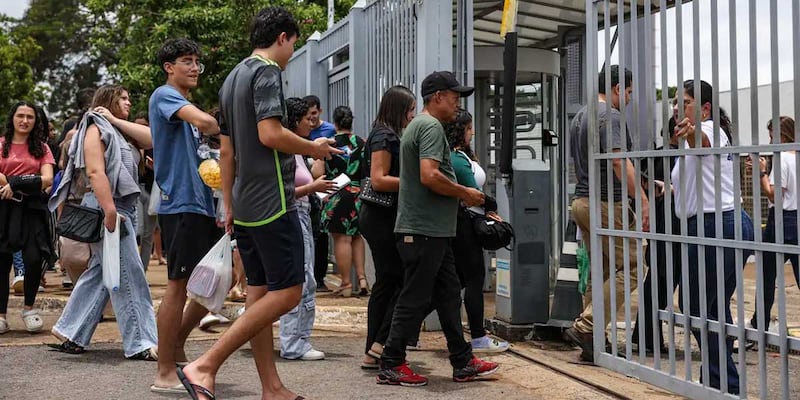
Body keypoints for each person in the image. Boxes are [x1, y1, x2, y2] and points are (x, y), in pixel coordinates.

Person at [179, 8, 339, 399]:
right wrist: (313, 146)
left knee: (258, 295)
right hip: (274, 201)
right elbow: (270, 134)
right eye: (294, 43)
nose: (292, 52)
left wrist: (229, 204)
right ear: (282, 37)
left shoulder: (233, 77)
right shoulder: (266, 71)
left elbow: (227, 151)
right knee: (288, 292)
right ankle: (205, 365)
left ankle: (272, 388)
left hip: (246, 204)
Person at [377, 71, 498, 387]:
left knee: (447, 296)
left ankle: (462, 360)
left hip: (433, 231)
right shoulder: (430, 127)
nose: (458, 104)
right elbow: (429, 176)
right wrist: (465, 193)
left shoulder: (422, 126)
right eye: (455, 97)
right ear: (438, 97)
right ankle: (391, 362)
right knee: (414, 297)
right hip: (423, 231)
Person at [48, 84, 158, 360]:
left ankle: (71, 331)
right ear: (107, 100)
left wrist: (115, 119)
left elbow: (152, 138)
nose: (129, 102)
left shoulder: (116, 128)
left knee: (101, 273)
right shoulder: (94, 128)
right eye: (122, 98)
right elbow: (96, 172)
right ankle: (141, 341)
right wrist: (109, 211)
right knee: (128, 276)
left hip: (121, 206)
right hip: (108, 206)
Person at [149, 38, 223, 393]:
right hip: (179, 203)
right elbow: (208, 122)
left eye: (197, 61)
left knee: (218, 278)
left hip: (199, 203)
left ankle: (176, 344)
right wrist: (218, 123)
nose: (194, 68)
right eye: (186, 61)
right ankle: (164, 371)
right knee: (177, 287)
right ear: (169, 67)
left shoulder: (179, 103)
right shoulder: (165, 96)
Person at [671, 79, 754, 394]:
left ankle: (726, 383)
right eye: (677, 102)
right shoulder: (691, 143)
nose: (679, 107)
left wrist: (691, 132)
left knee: (695, 306)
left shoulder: (711, 130)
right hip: (715, 223)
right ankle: (716, 381)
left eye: (687, 101)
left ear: (705, 108)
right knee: (713, 307)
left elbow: (703, 141)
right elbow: (692, 187)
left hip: (716, 225)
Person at [564, 65, 650, 363]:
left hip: (582, 202)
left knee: (601, 270)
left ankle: (593, 340)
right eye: (627, 92)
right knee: (634, 267)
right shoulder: (610, 116)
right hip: (605, 203)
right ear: (616, 89)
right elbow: (616, 160)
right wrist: (640, 197)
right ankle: (587, 325)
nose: (628, 98)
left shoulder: (580, 116)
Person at [444, 109, 509, 353]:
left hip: (466, 222)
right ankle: (479, 337)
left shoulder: (460, 155)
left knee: (456, 280)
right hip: (465, 225)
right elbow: (473, 195)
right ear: (460, 130)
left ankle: (407, 331)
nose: (473, 132)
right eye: (469, 128)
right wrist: (491, 205)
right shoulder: (457, 158)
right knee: (473, 279)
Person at [360, 85, 416, 368]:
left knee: (388, 280)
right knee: (396, 279)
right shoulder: (384, 135)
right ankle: (378, 345)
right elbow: (379, 179)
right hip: (381, 216)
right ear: (398, 110)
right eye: (410, 110)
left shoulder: (384, 132)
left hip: (379, 216)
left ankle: (376, 346)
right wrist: (415, 182)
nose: (412, 116)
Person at [278, 97, 336, 361]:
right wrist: (313, 188)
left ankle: (300, 339)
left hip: (302, 213)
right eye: (306, 119)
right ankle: (293, 342)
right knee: (300, 280)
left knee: (306, 280)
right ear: (294, 122)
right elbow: (282, 192)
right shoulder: (285, 150)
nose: (311, 122)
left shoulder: (297, 150)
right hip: (293, 214)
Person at [0, 101, 55, 334]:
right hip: (4, 208)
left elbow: (48, 179)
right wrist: (15, 183)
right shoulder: (1, 144)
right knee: (2, 262)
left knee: (33, 258)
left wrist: (16, 183)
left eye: (30, 117)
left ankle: (29, 308)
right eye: (20, 116)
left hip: (32, 210)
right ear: (12, 118)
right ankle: (1, 315)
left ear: (36, 121)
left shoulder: (42, 148)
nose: (24, 121)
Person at [631, 113, 681, 354]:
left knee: (657, 283)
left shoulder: (655, 157)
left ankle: (645, 336)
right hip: (674, 228)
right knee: (662, 284)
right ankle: (647, 336)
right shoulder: (676, 157)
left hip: (658, 227)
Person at [748, 116, 798, 331]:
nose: (770, 141)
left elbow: (773, 195)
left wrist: (761, 173)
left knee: (767, 276)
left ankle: (760, 325)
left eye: (771, 135)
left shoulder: (783, 158)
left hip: (781, 221)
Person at [312, 106, 368, 296]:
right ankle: (362, 278)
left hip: (336, 192)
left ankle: (345, 283)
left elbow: (318, 173)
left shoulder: (329, 143)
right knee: (356, 236)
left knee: (341, 238)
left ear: (334, 123)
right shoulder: (362, 143)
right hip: (357, 192)